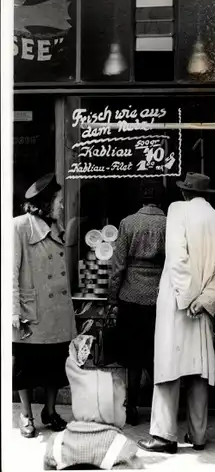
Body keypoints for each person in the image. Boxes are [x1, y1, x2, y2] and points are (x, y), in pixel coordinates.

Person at [138, 172, 215, 454]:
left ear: (184, 193)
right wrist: (204, 300)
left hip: (177, 303)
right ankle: (198, 435)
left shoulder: (177, 210)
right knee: (198, 370)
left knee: (169, 369)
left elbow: (177, 257)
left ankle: (164, 437)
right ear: (208, 195)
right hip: (202, 307)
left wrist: (188, 296)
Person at [12, 173, 77, 438]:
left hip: (57, 311)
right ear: (47, 201)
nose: (62, 206)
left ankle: (49, 412)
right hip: (31, 311)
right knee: (25, 367)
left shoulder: (57, 226)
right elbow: (10, 272)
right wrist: (13, 309)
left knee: (55, 366)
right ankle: (26, 415)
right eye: (59, 201)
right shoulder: (19, 227)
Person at [108, 181, 166, 426]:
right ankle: (159, 411)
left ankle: (131, 408)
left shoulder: (127, 223)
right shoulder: (169, 224)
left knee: (133, 357)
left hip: (131, 296)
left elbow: (118, 265)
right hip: (160, 297)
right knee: (157, 356)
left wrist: (113, 298)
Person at [44, 335, 142, 470]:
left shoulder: (56, 444)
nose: (125, 410)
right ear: (104, 411)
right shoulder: (121, 448)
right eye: (122, 405)